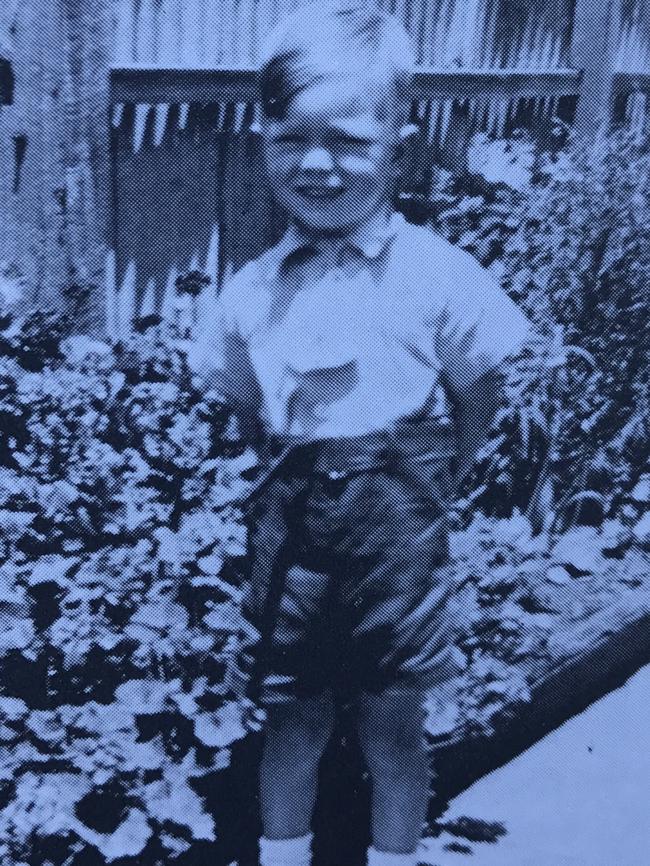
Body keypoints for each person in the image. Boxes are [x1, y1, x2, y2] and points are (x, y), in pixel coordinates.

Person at [188, 4, 531, 865]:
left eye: (347, 140)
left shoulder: (436, 277)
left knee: (393, 724)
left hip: (399, 543)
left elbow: (478, 384)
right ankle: (281, 853)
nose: (316, 163)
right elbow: (245, 405)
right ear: (262, 141)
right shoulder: (251, 291)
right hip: (292, 543)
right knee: (292, 719)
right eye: (290, 138)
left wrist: (445, 472)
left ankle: (395, 857)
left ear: (399, 149)